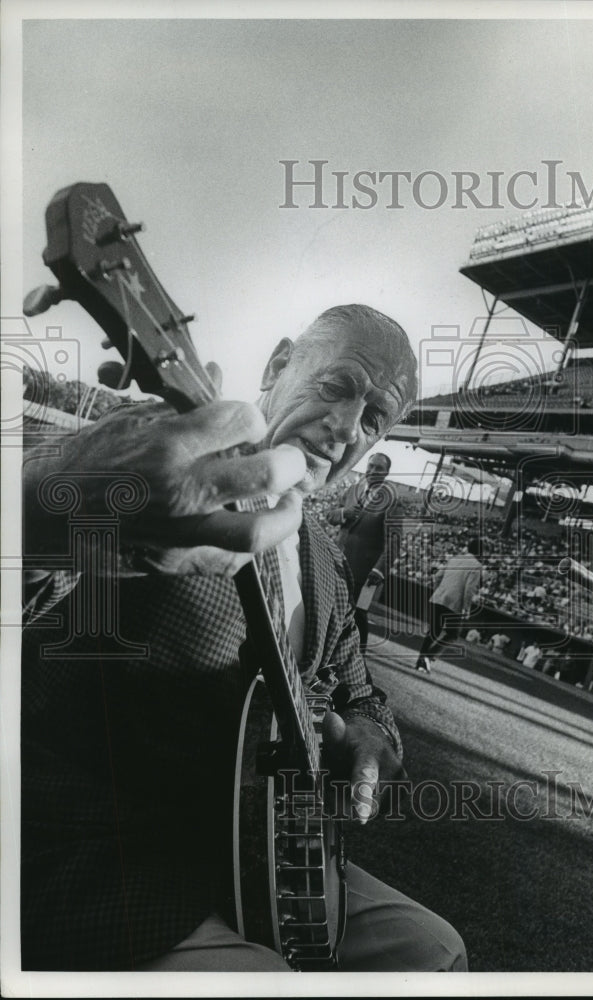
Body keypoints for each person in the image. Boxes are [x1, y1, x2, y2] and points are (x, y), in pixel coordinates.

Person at [21, 304, 466, 972]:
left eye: (374, 417)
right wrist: (53, 501)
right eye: (336, 386)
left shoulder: (325, 560)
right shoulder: (159, 469)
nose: (346, 426)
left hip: (270, 860)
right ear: (278, 365)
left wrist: (372, 740)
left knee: (436, 952)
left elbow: (362, 692)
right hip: (98, 857)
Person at [327, 451, 402, 652]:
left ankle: (358, 659)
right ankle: (330, 651)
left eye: (379, 468)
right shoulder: (353, 489)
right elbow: (330, 515)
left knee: (357, 615)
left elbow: (394, 540)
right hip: (338, 560)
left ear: (387, 472)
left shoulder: (391, 499)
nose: (373, 471)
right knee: (331, 608)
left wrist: (379, 570)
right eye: (371, 466)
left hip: (365, 571)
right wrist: (344, 513)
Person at [414, 537, 483, 673]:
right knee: (452, 634)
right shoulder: (477, 566)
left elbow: (438, 576)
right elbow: (469, 589)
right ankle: (428, 656)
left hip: (440, 596)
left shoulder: (455, 558)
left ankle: (421, 659)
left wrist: (439, 590)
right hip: (454, 603)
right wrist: (467, 608)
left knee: (433, 631)